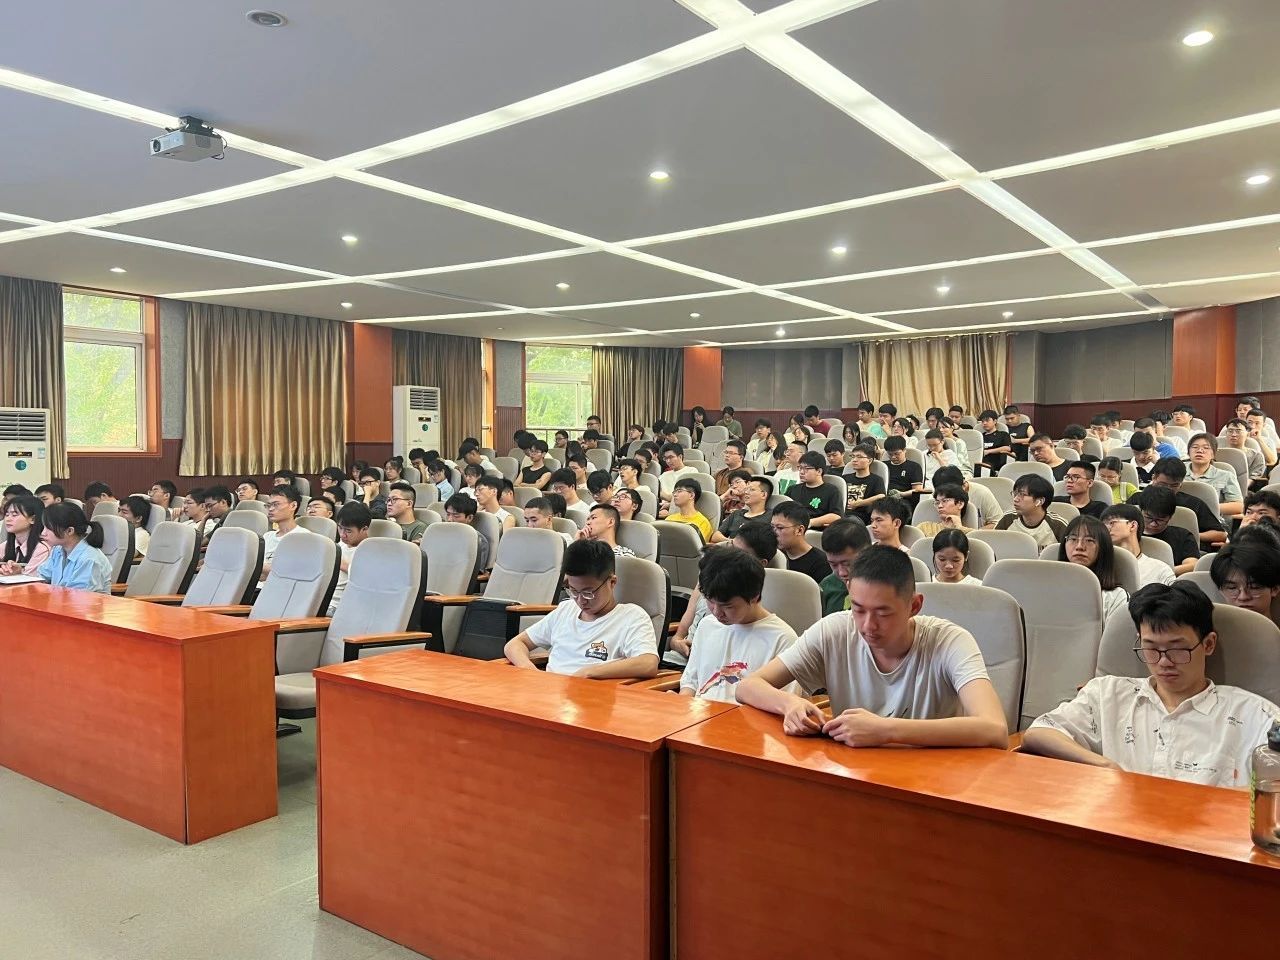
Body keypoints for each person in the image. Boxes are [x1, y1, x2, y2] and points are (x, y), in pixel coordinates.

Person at [735, 546, 1007, 748]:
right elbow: (747, 686)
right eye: (858, 609)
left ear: (914, 606)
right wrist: (789, 703)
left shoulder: (950, 641)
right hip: (854, 773)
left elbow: (994, 729)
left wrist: (887, 730)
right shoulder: (834, 630)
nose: (867, 626)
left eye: (883, 613)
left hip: (931, 779)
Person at [1022, 582, 1280, 787]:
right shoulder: (1108, 694)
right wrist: (1105, 766)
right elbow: (1041, 732)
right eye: (1151, 648)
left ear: (1208, 644)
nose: (1164, 662)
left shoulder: (1253, 715)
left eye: (1178, 649)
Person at [504, 540, 659, 679]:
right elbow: (515, 644)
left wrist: (589, 672)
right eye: (573, 591)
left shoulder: (632, 617)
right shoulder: (566, 610)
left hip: (592, 696)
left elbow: (648, 663)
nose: (580, 600)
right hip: (549, 692)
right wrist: (528, 668)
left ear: (612, 582)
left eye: (588, 592)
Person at [679, 548, 798, 702]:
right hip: (700, 713)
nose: (716, 612)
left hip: (746, 717)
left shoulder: (782, 639)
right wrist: (680, 704)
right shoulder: (707, 625)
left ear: (754, 597)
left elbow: (785, 704)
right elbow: (691, 682)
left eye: (727, 606)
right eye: (710, 601)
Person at [669, 521, 777, 663]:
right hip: (683, 656)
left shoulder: (750, 594)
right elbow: (689, 615)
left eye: (740, 554)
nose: (730, 556)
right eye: (731, 547)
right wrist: (676, 641)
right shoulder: (713, 576)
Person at [1125, 457, 1225, 548]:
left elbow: (1220, 534)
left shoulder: (1194, 504)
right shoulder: (1137, 499)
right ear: (1154, 478)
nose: (1168, 489)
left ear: (1181, 484)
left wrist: (1187, 536)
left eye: (1174, 486)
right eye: (1163, 484)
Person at [1055, 515, 1129, 621]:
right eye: (1073, 539)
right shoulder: (1050, 590)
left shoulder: (1115, 597)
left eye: (1089, 540)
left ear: (1103, 547)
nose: (1079, 546)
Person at [37, 503, 113, 594]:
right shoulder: (57, 550)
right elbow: (41, 577)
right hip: (60, 601)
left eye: (48, 528)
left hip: (82, 602)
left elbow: (79, 597)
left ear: (69, 531)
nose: (43, 533)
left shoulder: (89, 559)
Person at [1101, 504, 1176, 587]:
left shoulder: (1160, 569)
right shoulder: (1100, 567)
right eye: (1103, 525)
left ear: (1133, 525)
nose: (1106, 528)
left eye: (1111, 523)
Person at [1210, 539, 1280, 627]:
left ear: (1275, 589)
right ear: (1220, 590)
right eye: (1232, 588)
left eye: (1254, 587)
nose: (1243, 597)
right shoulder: (1210, 632)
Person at [1131, 484, 1199, 575]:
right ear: (1141, 511)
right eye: (1148, 518)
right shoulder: (1129, 533)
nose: (1153, 524)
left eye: (1160, 520)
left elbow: (1192, 565)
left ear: (1170, 517)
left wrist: (1161, 573)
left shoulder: (1183, 536)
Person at [995, 475, 1066, 549]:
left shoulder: (1058, 525)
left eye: (1022, 495)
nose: (1015, 499)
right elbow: (994, 546)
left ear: (1040, 501)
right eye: (1015, 494)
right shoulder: (1008, 519)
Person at [819, 518, 871, 616]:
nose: (841, 573)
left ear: (867, 553)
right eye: (833, 565)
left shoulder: (886, 586)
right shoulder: (826, 586)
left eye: (848, 564)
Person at [771, 501, 831, 584]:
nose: (774, 533)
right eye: (772, 527)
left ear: (799, 530)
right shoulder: (774, 554)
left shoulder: (821, 563)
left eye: (780, 528)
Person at [328, 503, 371, 616]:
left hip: (338, 607)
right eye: (340, 528)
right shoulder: (340, 545)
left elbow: (365, 579)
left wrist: (339, 563)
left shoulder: (369, 550)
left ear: (364, 529)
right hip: (322, 599)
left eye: (348, 531)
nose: (342, 535)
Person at [1186, 433, 1242, 516]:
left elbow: (1238, 506)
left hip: (1212, 520)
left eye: (1206, 448)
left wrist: (1205, 508)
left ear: (1213, 454)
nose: (1200, 451)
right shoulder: (1177, 472)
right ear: (1188, 452)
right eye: (1195, 447)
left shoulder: (1226, 476)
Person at [931, 466, 1000, 530]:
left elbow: (997, 524)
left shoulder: (982, 493)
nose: (940, 505)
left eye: (945, 500)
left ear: (963, 485)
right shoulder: (937, 499)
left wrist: (971, 533)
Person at [787, 452, 843, 529]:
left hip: (815, 529)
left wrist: (810, 522)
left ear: (819, 471)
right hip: (791, 526)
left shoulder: (831, 491)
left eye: (806, 469)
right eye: (800, 468)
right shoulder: (793, 489)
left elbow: (836, 516)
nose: (801, 472)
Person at [0, 495, 50, 576]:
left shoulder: (42, 549)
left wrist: (17, 573)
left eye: (14, 515)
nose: (8, 519)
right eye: (7, 514)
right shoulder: (4, 546)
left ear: (33, 519)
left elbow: (32, 579)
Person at [713, 475, 771, 544]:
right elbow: (715, 536)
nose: (746, 492)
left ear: (763, 495)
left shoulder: (771, 516)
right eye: (746, 489)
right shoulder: (736, 514)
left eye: (751, 490)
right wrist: (732, 542)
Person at [444, 493, 489, 576]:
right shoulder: (441, 534)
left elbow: (476, 573)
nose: (449, 519)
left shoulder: (478, 541)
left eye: (456, 516)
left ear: (469, 518)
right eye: (448, 514)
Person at [261, 486, 301, 579]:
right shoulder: (267, 536)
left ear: (293, 506)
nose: (270, 509)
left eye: (276, 504)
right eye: (268, 505)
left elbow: (290, 572)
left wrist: (257, 567)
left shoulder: (303, 536)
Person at [843, 445, 886, 523]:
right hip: (842, 514)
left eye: (859, 457)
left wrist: (858, 503)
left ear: (869, 461)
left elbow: (881, 496)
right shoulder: (844, 478)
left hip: (861, 517)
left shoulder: (876, 480)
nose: (854, 460)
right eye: (853, 456)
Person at [883, 436, 923, 504]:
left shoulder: (914, 467)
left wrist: (901, 494)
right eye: (890, 454)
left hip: (904, 500)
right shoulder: (884, 466)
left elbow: (917, 489)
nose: (893, 457)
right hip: (884, 498)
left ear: (904, 450)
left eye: (897, 454)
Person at [977, 410, 1012, 476]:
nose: (984, 423)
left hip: (995, 462)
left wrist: (988, 451)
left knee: (984, 467)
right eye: (982, 421)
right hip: (981, 462)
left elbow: (1007, 448)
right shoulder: (980, 436)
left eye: (987, 420)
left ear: (995, 421)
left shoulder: (1003, 434)